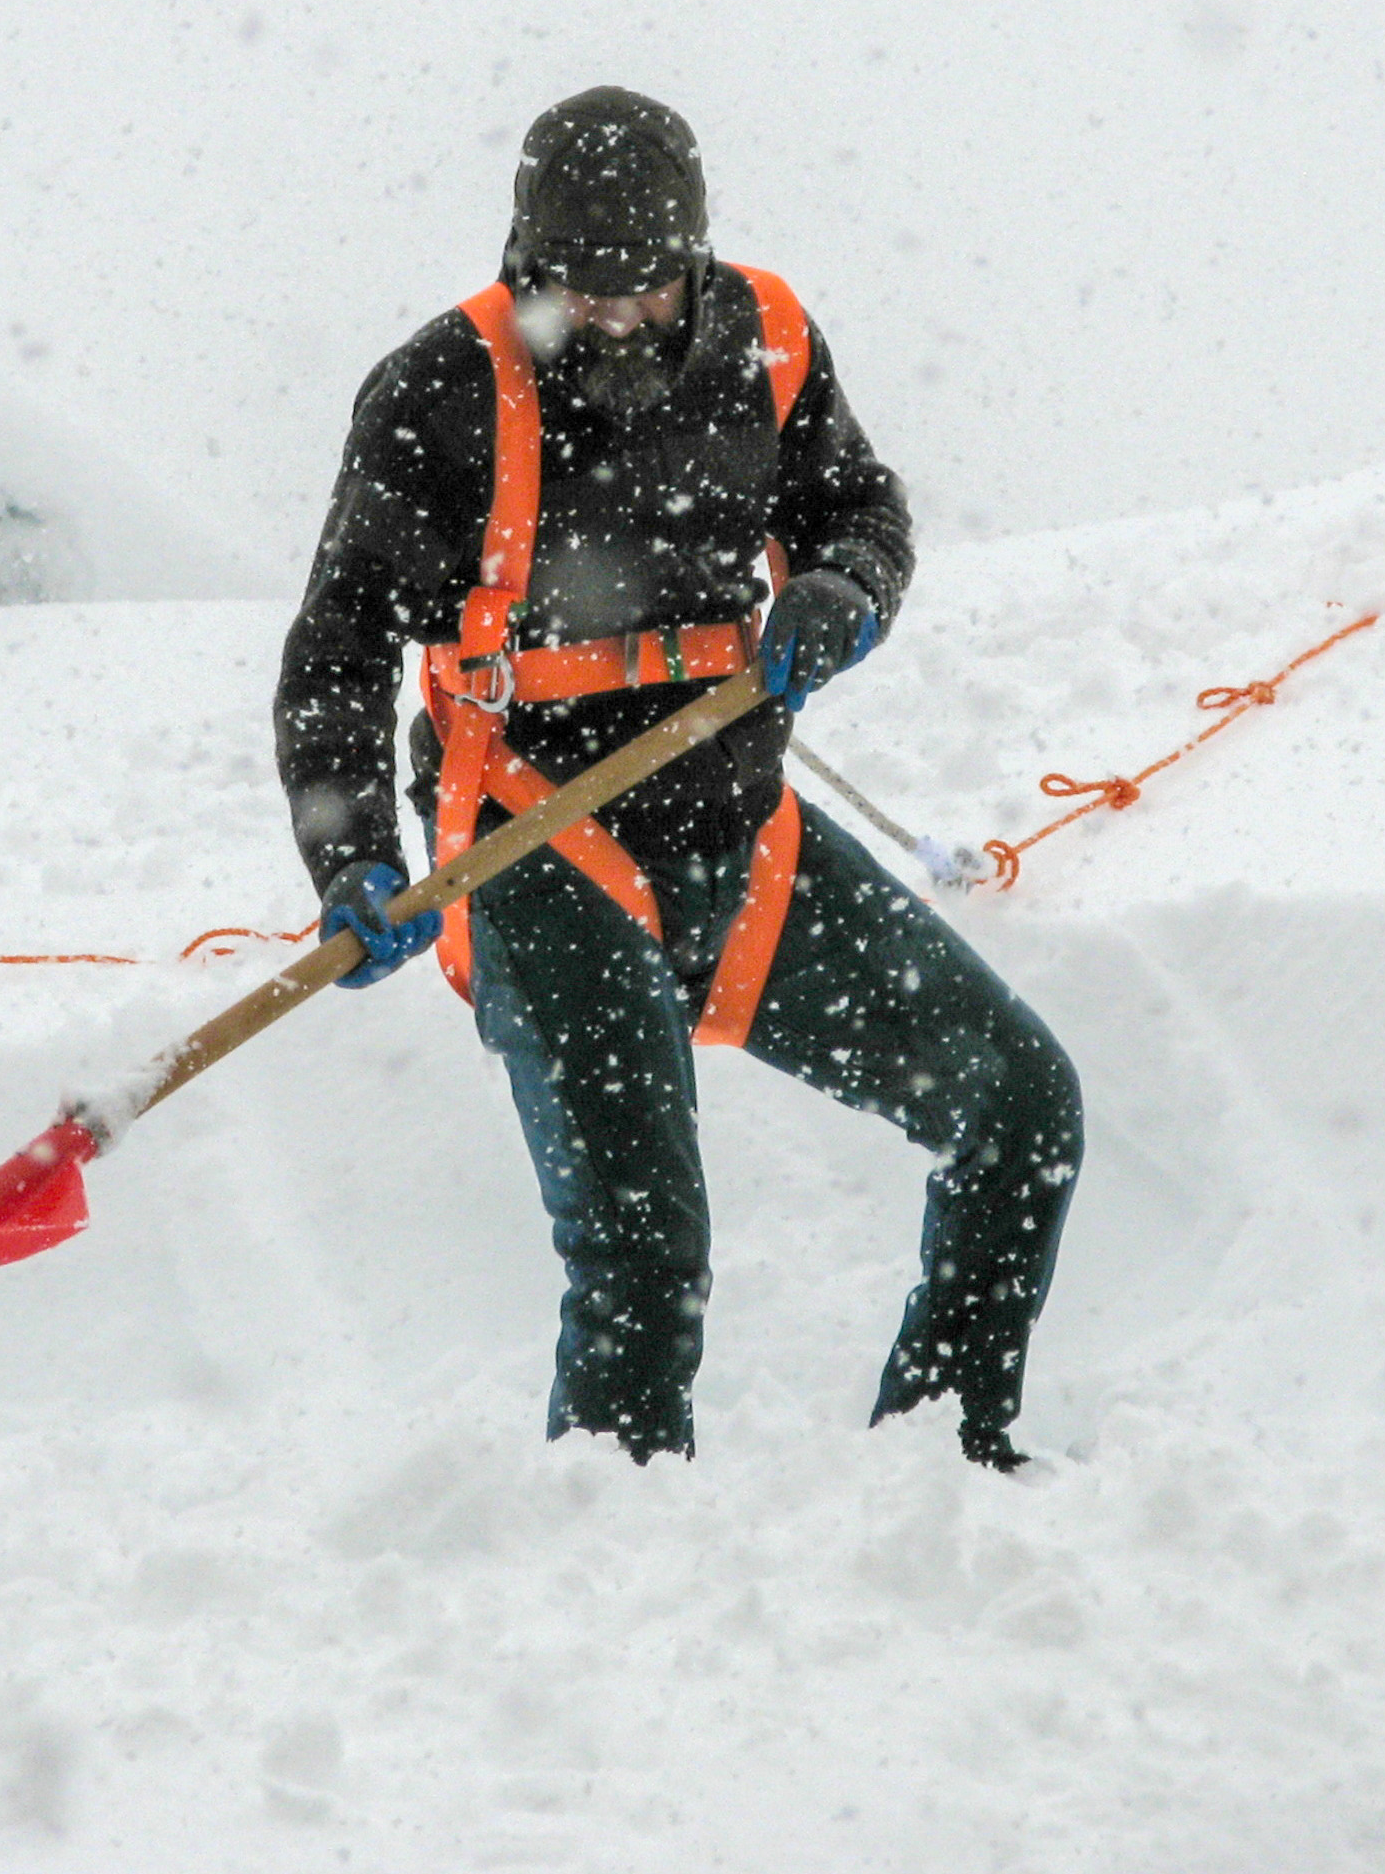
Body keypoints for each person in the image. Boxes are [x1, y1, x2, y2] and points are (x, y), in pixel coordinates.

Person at [274, 87, 1080, 1470]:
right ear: (526, 262)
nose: (613, 321)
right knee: (646, 1254)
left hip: (734, 820)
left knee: (1020, 1106)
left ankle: (942, 1478)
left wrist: (844, 586)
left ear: (693, 263)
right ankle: (605, 1576)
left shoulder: (764, 337)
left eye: (643, 290)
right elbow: (339, 648)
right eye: (575, 294)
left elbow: (856, 507)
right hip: (536, 843)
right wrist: (350, 858)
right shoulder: (441, 393)